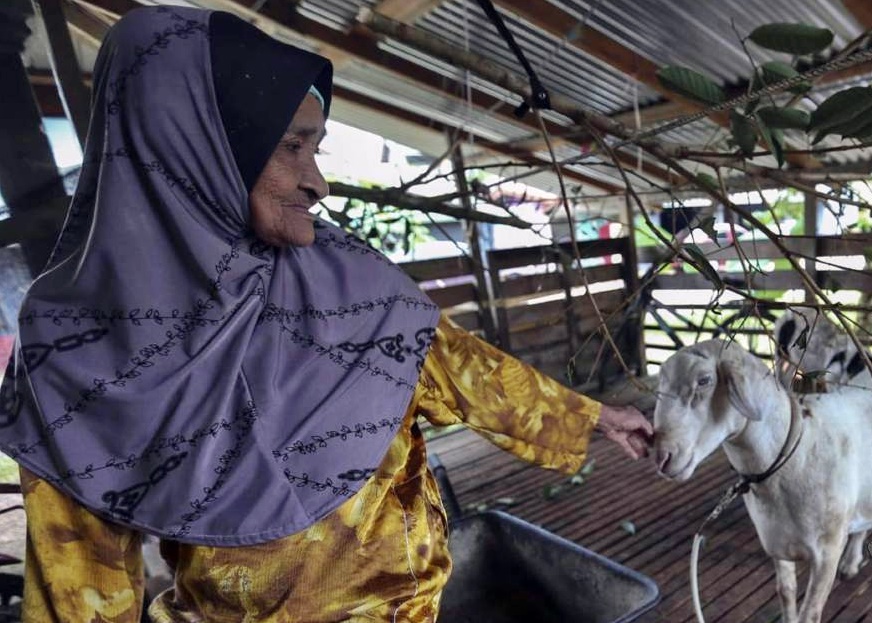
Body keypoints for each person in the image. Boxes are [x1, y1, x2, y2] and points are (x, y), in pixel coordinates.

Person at [0, 6, 653, 622]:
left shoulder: (349, 280)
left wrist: (592, 415)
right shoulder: (77, 359)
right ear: (195, 149)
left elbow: (459, 367)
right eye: (291, 147)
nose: (319, 182)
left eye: (317, 148)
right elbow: (79, 593)